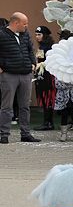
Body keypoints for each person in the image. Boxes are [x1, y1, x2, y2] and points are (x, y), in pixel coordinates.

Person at [0, 12, 41, 144]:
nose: (26, 26)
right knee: (6, 106)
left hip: (26, 74)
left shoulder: (25, 34)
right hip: (8, 74)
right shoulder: (1, 34)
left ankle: (25, 134)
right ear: (15, 23)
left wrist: (33, 63)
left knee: (25, 106)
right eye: (24, 24)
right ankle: (4, 134)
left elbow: (30, 49)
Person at [52, 30, 73, 142]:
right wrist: (68, 83)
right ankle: (63, 134)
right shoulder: (59, 58)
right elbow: (57, 79)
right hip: (63, 93)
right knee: (64, 113)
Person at [33, 26, 57, 131]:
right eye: (36, 34)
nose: (37, 37)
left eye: (39, 34)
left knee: (47, 98)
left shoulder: (47, 47)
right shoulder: (43, 46)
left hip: (47, 76)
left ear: (45, 35)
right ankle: (47, 122)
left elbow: (43, 62)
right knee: (44, 98)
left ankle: (48, 123)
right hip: (42, 75)